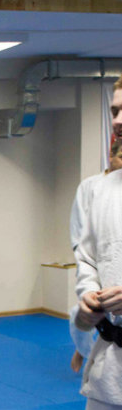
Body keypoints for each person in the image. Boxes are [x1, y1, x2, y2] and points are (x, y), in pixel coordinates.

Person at [71, 74, 122, 410]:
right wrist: (87, 298)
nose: (117, 121)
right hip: (112, 363)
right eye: (115, 110)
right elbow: (87, 258)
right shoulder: (103, 191)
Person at [68, 140, 122, 372]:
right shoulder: (94, 187)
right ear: (110, 156)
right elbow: (82, 231)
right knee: (80, 315)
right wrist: (89, 283)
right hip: (100, 263)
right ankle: (83, 351)